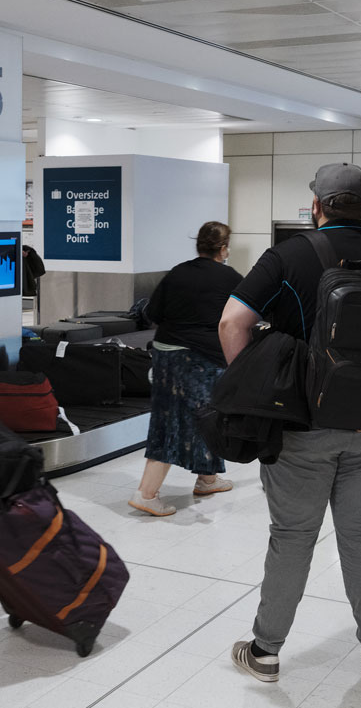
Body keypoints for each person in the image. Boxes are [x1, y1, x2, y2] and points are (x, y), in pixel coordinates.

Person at [220, 163, 361, 683]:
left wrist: (257, 387)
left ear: (317, 206)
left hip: (303, 423)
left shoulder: (288, 256)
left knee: (293, 535)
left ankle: (265, 652)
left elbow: (232, 321)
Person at [129, 221, 243, 517]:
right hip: (199, 359)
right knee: (183, 421)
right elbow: (244, 317)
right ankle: (146, 494)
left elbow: (152, 313)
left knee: (196, 415)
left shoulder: (178, 271)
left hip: (165, 353)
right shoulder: (230, 277)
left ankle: (207, 478)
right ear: (223, 248)